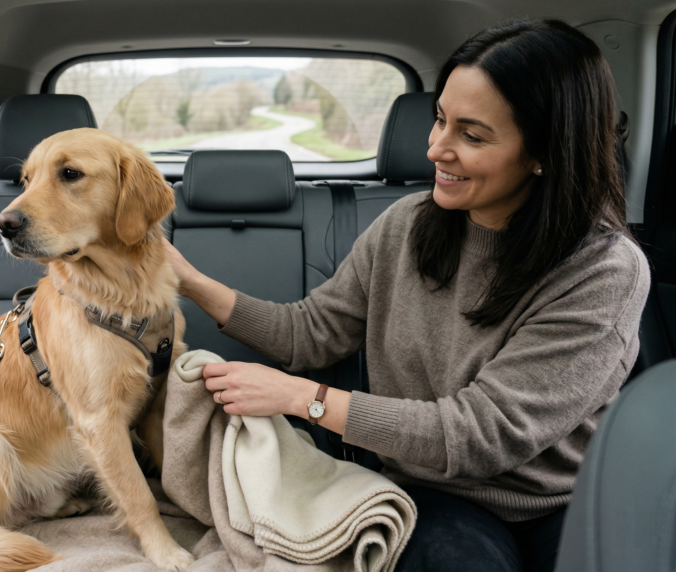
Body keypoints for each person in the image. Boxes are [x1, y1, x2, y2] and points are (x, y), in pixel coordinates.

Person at [163, 19, 649, 572]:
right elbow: (312, 333)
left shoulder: (603, 271)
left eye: (472, 136)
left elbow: (482, 433)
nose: (436, 148)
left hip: (562, 501)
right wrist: (188, 279)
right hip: (436, 491)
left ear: (544, 151)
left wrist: (303, 398)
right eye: (439, 119)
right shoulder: (407, 224)